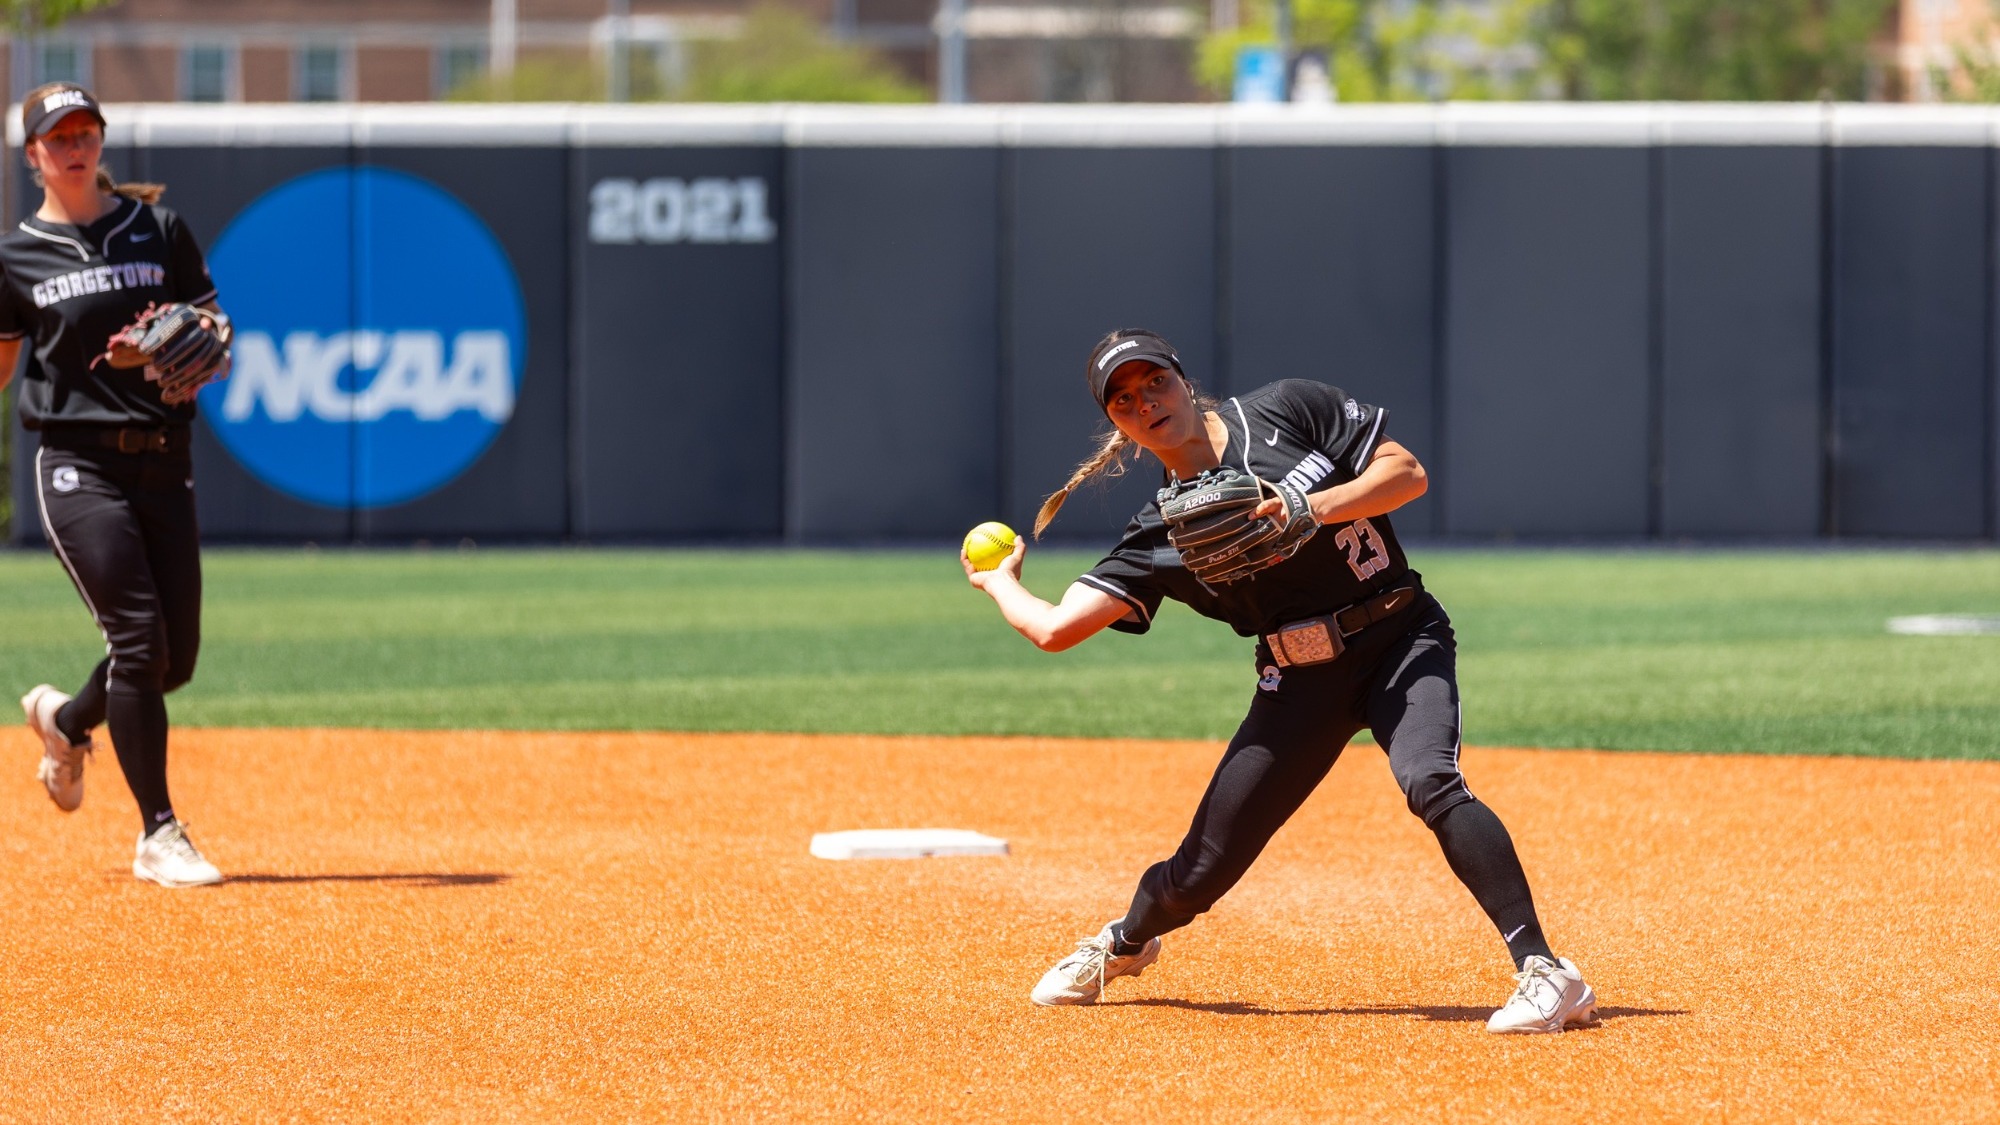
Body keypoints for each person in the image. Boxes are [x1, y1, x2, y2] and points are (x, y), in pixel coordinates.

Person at [962, 328, 1597, 1033]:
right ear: (1117, 424)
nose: (1145, 402)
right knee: (1202, 867)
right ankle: (1123, 941)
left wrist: (1311, 506)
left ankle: (1547, 971)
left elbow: (1407, 473)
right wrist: (998, 584)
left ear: (1183, 378)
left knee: (1429, 778)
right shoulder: (1158, 532)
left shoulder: (1283, 410)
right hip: (1298, 682)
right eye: (1124, 399)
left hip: (1400, 635)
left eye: (1154, 382)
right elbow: (1055, 629)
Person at [2, 83, 232, 887]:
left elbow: (215, 332)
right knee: (138, 639)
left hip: (164, 456)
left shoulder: (158, 229)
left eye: (85, 131)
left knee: (172, 662)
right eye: (57, 136)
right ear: (33, 156)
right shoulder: (15, 256)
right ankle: (158, 833)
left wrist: (210, 344)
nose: (74, 146)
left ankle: (63, 722)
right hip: (75, 463)